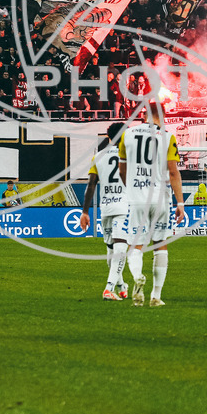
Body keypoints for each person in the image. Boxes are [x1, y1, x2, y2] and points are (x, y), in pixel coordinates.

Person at [119, 102, 185, 307]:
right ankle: (156, 296)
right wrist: (180, 202)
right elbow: (173, 172)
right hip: (159, 198)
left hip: (137, 198)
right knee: (160, 244)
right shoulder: (168, 136)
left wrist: (131, 187)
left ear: (144, 115)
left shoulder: (127, 135)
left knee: (135, 245)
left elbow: (122, 169)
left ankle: (137, 276)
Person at [79, 122, 129, 301]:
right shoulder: (130, 155)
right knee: (121, 246)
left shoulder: (98, 156)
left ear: (109, 137)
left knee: (111, 247)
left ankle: (121, 286)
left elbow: (91, 184)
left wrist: (85, 211)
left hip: (106, 207)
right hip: (124, 205)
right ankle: (108, 289)